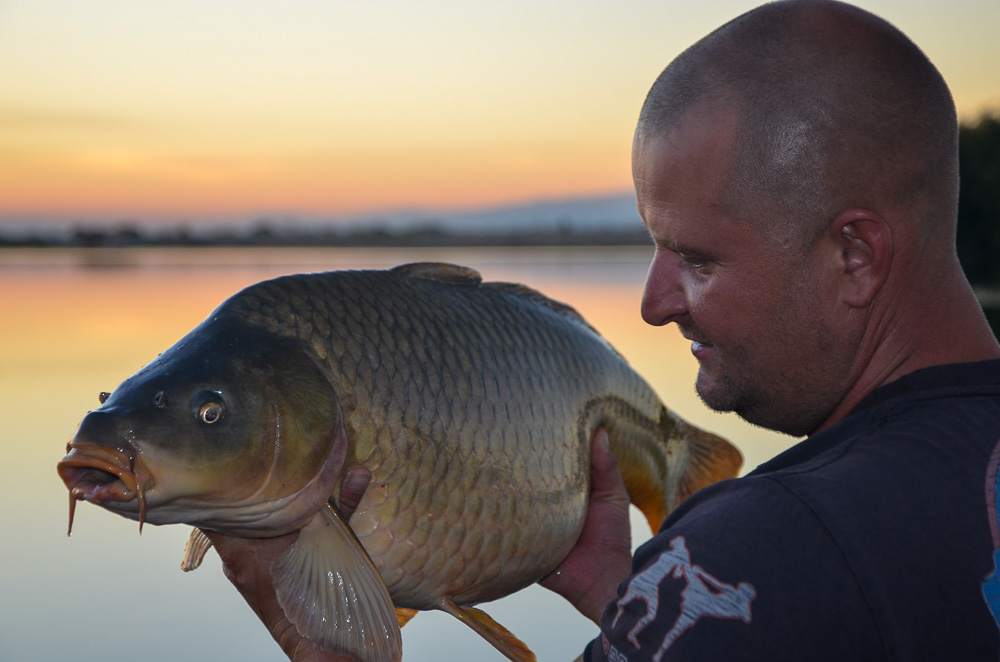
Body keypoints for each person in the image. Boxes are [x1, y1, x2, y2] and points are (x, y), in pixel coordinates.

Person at [210, 0, 1000, 659]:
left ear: (855, 256)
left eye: (698, 258)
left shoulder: (770, 548)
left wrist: (316, 638)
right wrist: (630, 600)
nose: (655, 304)